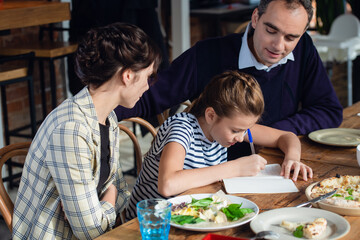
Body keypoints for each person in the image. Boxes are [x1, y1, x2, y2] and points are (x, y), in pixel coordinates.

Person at [114, 0, 343, 158]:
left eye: (291, 37)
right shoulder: (207, 54)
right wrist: (96, 111)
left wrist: (276, 133)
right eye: (271, 30)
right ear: (255, 18)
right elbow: (147, 98)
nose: (278, 46)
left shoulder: (303, 50)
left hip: (275, 167)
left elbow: (329, 110)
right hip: (211, 178)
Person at [12, 23, 162, 239]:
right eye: (148, 76)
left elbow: (121, 191)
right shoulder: (71, 130)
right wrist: (108, 199)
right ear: (128, 76)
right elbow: (90, 230)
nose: (148, 86)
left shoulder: (107, 117)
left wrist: (102, 205)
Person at [126, 70, 313, 220]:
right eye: (236, 131)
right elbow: (167, 185)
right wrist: (234, 168)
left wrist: (292, 159)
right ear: (211, 115)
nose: (241, 137)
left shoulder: (229, 127)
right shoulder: (182, 128)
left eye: (245, 130)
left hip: (188, 215)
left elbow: (287, 137)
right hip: (148, 223)